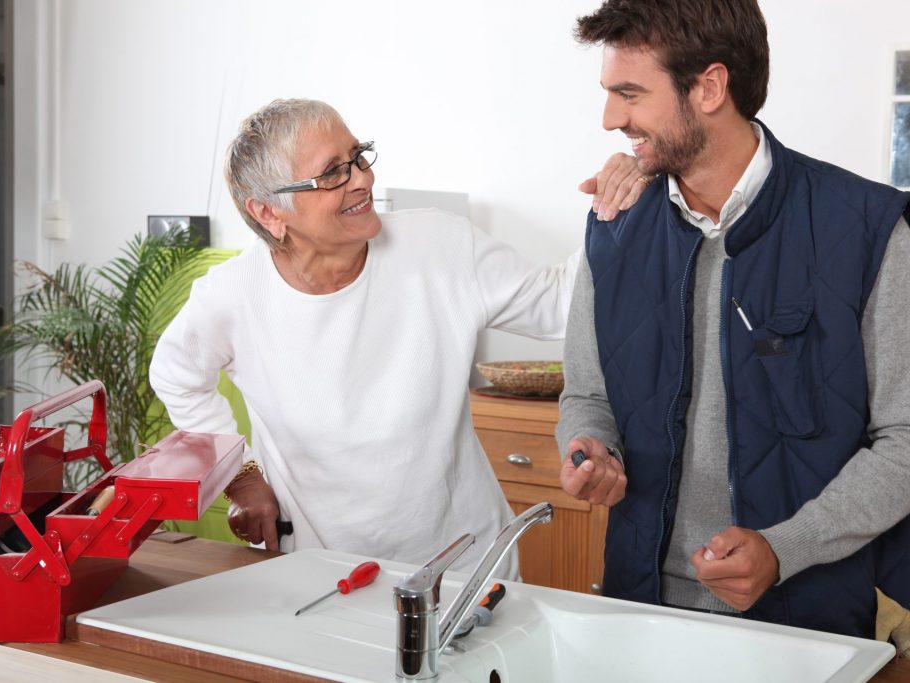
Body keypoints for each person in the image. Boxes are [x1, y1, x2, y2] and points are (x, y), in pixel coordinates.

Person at [150, 98, 645, 577]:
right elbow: (176, 375)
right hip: (319, 570)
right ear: (269, 213)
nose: (363, 178)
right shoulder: (233, 294)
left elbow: (563, 304)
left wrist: (618, 211)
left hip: (465, 566)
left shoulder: (439, 244)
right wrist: (242, 478)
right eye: (331, 173)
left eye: (358, 156)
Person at [556, 0, 910, 638]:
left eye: (630, 93)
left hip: (807, 623)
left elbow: (905, 443)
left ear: (711, 87)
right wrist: (589, 450)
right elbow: (586, 393)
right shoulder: (613, 225)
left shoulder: (869, 229)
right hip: (637, 608)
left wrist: (786, 547)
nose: (610, 119)